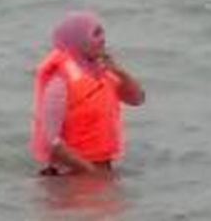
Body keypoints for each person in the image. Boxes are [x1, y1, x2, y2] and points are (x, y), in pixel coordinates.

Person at [31, 11, 146, 176]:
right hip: (69, 175)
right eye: (96, 34)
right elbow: (51, 142)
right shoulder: (59, 82)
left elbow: (137, 99)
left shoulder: (104, 72)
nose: (103, 39)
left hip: (100, 169)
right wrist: (91, 173)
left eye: (102, 32)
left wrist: (120, 72)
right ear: (79, 40)